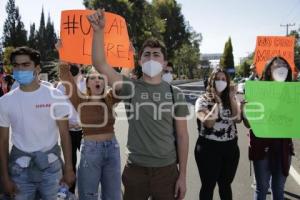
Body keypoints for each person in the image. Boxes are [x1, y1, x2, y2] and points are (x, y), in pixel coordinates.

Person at [87, 9, 189, 200]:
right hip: (135, 171)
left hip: (167, 172)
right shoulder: (129, 87)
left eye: (156, 55)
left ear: (165, 62)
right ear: (140, 61)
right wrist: (98, 32)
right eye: (147, 55)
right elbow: (100, 64)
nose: (151, 58)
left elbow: (183, 136)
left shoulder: (176, 94)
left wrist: (182, 176)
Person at [0, 46, 75, 199]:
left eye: (26, 65)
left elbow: (65, 134)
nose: (20, 69)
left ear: (37, 68)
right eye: (16, 65)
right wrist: (5, 177)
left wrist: (68, 168)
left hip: (52, 168)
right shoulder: (5, 101)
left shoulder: (55, 96)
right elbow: (2, 141)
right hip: (19, 168)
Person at [59, 63, 121, 200]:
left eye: (100, 77)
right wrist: (62, 53)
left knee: (114, 196)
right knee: (88, 195)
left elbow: (122, 82)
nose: (97, 80)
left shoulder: (111, 98)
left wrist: (128, 63)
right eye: (93, 78)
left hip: (112, 150)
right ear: (87, 84)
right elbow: (65, 76)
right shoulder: (80, 100)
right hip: (91, 151)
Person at [242, 56, 294, 200]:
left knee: (278, 188)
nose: (281, 68)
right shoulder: (258, 91)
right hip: (261, 147)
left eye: (284, 65)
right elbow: (248, 124)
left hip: (283, 147)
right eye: (277, 66)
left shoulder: (294, 92)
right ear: (269, 70)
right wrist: (245, 110)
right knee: (262, 188)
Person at [194, 67, 241, 200]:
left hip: (230, 148)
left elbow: (237, 119)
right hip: (208, 149)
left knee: (226, 185)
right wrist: (217, 102)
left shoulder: (231, 98)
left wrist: (231, 98)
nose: (220, 82)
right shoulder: (202, 100)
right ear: (211, 82)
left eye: (223, 79)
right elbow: (209, 123)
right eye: (217, 79)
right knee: (208, 186)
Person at [56, 63, 86, 194]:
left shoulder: (88, 82)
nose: (73, 66)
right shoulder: (61, 86)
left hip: (85, 131)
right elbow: (57, 108)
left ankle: (88, 191)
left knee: (89, 164)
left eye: (76, 63)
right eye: (70, 63)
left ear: (81, 65)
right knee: (70, 163)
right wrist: (65, 124)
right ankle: (70, 192)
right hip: (68, 132)